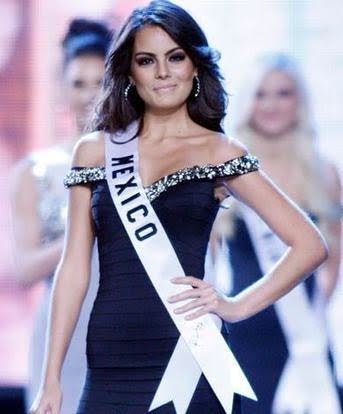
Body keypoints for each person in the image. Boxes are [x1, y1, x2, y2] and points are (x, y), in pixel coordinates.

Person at [30, 2, 329, 413]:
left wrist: (235, 306)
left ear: (195, 64)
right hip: (110, 366)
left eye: (175, 57)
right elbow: (73, 269)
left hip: (190, 360)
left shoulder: (219, 151)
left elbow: (310, 244)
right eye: (146, 60)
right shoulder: (95, 151)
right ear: (129, 72)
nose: (164, 72)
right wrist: (51, 379)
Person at [216, 53, 342, 413]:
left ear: (299, 101)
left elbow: (333, 259)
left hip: (307, 338)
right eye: (261, 94)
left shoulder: (325, 172)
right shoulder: (226, 167)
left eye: (283, 93)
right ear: (247, 101)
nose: (271, 104)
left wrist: (310, 320)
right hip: (245, 326)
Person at [11, 18, 111, 414]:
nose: (89, 95)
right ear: (61, 89)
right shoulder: (35, 171)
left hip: (124, 319)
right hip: (62, 329)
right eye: (78, 84)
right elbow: (25, 268)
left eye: (99, 82)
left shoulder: (140, 163)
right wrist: (85, 226)